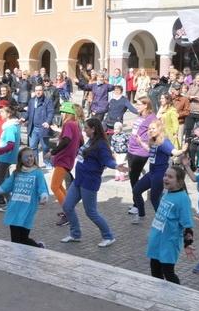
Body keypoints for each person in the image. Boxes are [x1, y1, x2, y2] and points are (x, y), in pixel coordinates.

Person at [61, 118, 127, 247]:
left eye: (86, 128)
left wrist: (116, 166)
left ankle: (108, 236)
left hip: (89, 182)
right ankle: (75, 234)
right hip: (79, 180)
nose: (84, 130)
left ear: (93, 129)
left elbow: (107, 160)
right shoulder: (91, 140)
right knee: (67, 206)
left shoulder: (101, 144)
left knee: (91, 212)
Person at [0, 147, 49, 248]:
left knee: (23, 239)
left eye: (31, 156)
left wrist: (44, 196)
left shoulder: (38, 172)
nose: (30, 158)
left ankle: (38, 247)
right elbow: (4, 188)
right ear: (21, 159)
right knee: (15, 241)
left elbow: (42, 188)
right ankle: (21, 255)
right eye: (26, 157)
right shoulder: (16, 173)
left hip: (27, 211)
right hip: (14, 210)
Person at [146, 166, 196, 284]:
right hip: (157, 240)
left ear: (179, 181)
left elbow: (187, 225)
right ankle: (159, 294)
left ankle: (177, 294)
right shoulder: (167, 193)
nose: (165, 178)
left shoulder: (183, 199)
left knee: (168, 273)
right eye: (165, 175)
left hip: (169, 243)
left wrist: (188, 243)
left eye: (170, 177)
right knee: (155, 270)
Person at [131, 120, 185, 224]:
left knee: (154, 198)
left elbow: (174, 152)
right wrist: (141, 143)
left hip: (160, 173)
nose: (151, 130)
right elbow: (151, 151)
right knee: (136, 190)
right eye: (149, 129)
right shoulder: (153, 141)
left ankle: (163, 220)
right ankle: (141, 215)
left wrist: (182, 150)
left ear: (159, 129)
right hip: (152, 172)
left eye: (153, 128)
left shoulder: (164, 142)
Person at [49, 102, 83, 226]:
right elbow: (81, 142)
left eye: (63, 112)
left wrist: (53, 152)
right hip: (68, 159)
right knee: (58, 186)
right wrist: (73, 152)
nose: (61, 115)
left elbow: (67, 140)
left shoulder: (68, 124)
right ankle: (68, 208)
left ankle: (68, 213)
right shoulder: (76, 124)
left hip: (63, 160)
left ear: (67, 113)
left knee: (54, 186)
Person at [126, 97, 157, 214]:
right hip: (131, 149)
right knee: (132, 177)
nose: (137, 106)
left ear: (146, 105)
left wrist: (145, 142)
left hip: (141, 151)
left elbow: (156, 132)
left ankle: (138, 205)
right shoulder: (140, 116)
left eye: (139, 104)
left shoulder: (152, 118)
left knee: (134, 176)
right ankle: (136, 202)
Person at [0, 103, 21, 210]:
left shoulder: (10, 127)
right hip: (7, 156)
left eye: (2, 112)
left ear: (8, 114)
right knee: (4, 180)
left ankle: (10, 202)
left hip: (5, 157)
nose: (0, 114)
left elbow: (10, 144)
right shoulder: (14, 125)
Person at [24, 83, 55, 168]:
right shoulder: (32, 101)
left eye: (40, 90)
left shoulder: (47, 101)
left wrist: (48, 122)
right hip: (33, 128)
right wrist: (24, 118)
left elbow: (51, 112)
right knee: (32, 147)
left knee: (45, 147)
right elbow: (28, 112)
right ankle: (35, 164)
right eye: (36, 90)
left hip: (43, 128)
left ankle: (47, 162)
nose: (38, 92)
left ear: (43, 91)